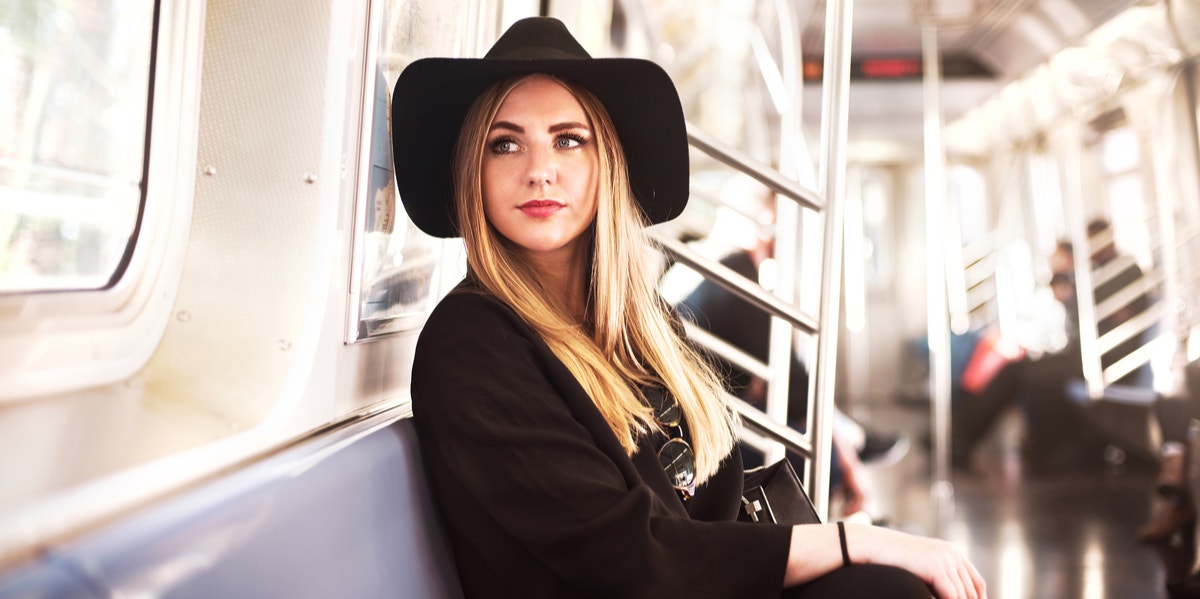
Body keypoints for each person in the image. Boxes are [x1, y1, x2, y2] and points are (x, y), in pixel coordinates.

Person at [393, 17, 986, 598]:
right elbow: (632, 557)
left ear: (608, 165)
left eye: (568, 140)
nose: (539, 171)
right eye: (505, 144)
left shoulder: (639, 321)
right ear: (476, 171)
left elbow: (706, 501)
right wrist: (848, 543)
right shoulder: (472, 343)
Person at [671, 201, 906, 517]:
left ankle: (852, 445)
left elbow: (772, 381)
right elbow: (796, 389)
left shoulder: (736, 270)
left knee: (813, 428)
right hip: (696, 429)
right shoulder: (737, 281)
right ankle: (843, 473)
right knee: (825, 459)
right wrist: (847, 458)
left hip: (710, 412)